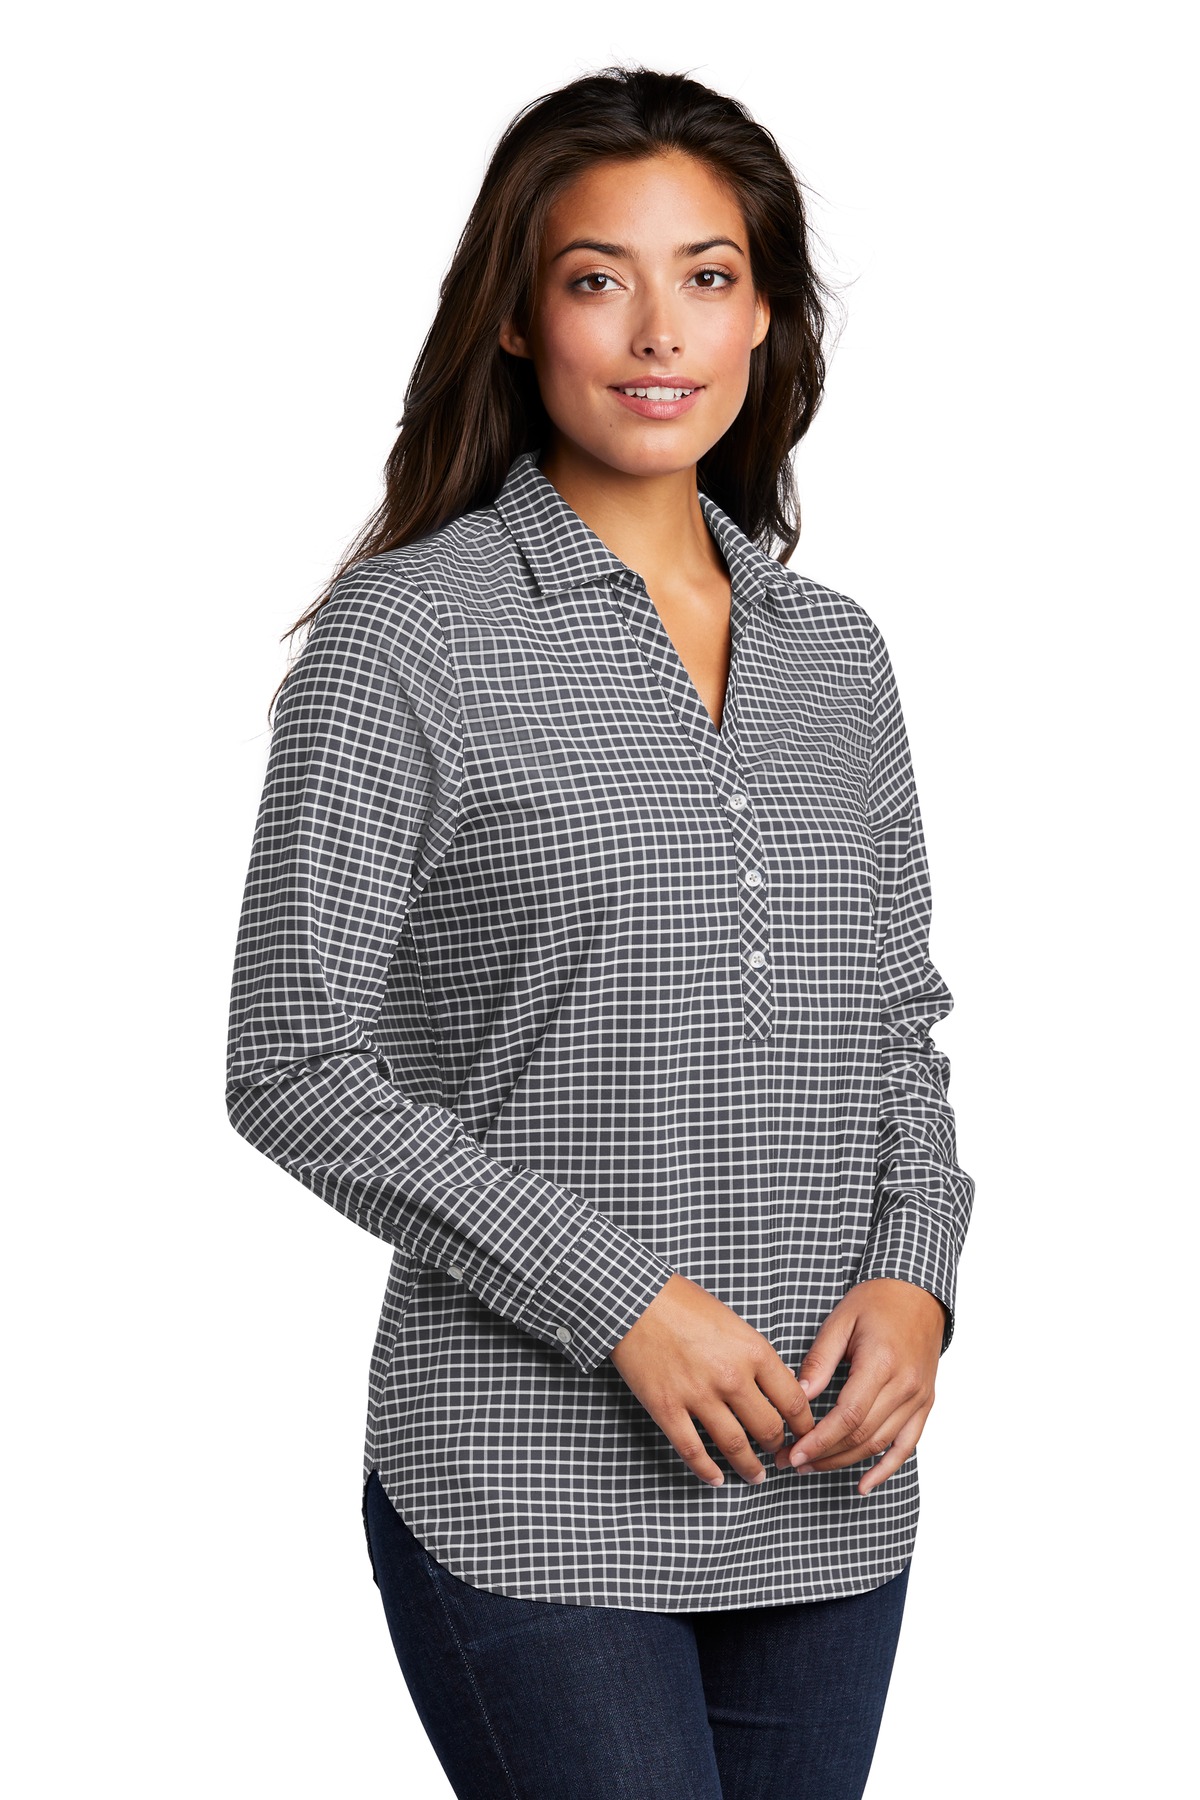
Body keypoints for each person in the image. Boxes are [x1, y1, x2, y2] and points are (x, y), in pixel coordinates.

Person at [225, 64, 975, 1800]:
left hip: (825, 1484)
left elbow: (900, 1028)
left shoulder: (838, 655)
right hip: (524, 1479)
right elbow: (292, 1061)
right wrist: (621, 1301)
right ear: (516, 317)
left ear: (765, 315)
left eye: (707, 275)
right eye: (595, 278)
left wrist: (919, 1277)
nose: (658, 331)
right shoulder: (410, 635)